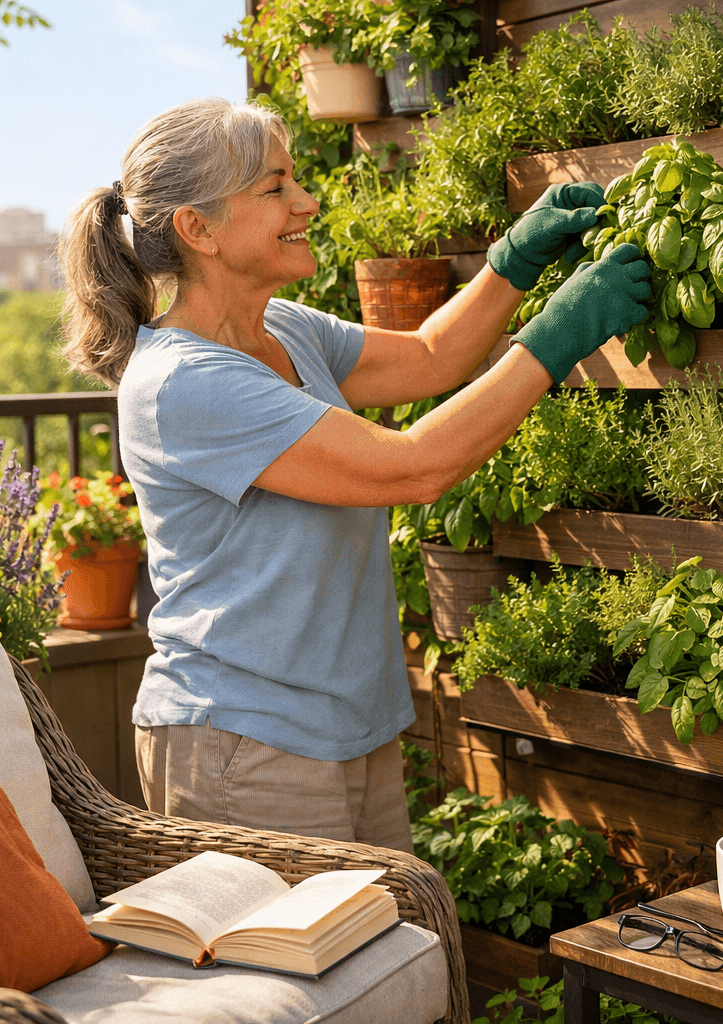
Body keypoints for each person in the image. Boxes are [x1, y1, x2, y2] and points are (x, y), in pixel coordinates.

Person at [59, 97, 649, 853]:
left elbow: (432, 356)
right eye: (274, 188)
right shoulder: (184, 382)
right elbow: (415, 468)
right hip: (243, 742)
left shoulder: (287, 329)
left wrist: (516, 258)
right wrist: (563, 330)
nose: (306, 202)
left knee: (383, 959)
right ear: (197, 228)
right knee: (295, 971)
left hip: (341, 724)